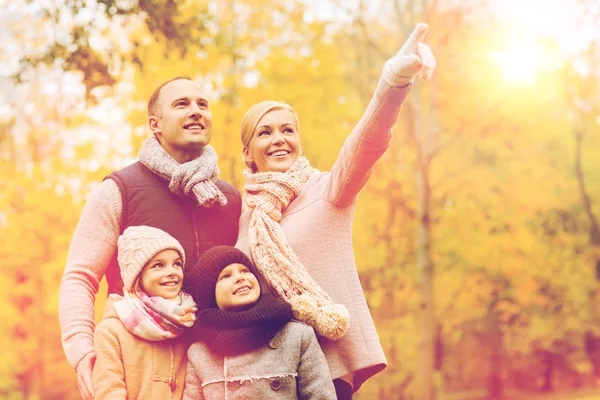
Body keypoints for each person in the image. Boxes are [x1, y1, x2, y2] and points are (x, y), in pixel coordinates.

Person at [235, 23, 436, 398]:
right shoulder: (246, 214)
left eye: (287, 130)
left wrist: (393, 79)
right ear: (248, 153)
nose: (279, 139)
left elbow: (369, 140)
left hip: (326, 370)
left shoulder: (328, 190)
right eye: (265, 132)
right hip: (265, 372)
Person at [59, 76, 242, 400]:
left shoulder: (229, 198)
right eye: (182, 104)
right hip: (135, 367)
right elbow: (80, 276)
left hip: (214, 369)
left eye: (202, 104)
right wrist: (81, 350)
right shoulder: (119, 190)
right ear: (155, 124)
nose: (197, 111)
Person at [183, 246, 336, 399]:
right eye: (226, 276)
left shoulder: (296, 335)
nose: (240, 277)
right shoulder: (199, 352)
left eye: (244, 270)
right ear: (208, 294)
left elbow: (321, 395)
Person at [93, 225, 197, 399]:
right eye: (158, 265)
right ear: (137, 275)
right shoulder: (111, 332)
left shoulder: (188, 321)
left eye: (177, 264)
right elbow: (109, 393)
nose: (171, 272)